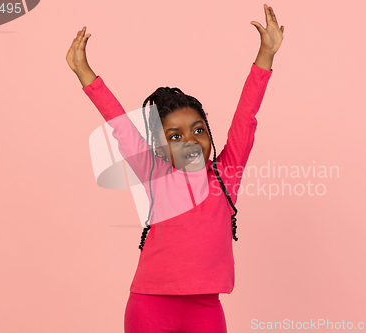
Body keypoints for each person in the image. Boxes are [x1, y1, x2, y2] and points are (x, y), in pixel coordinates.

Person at [66, 4, 284, 332]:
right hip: (149, 304)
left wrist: (265, 56)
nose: (191, 141)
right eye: (175, 135)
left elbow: (245, 118)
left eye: (198, 130)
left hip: (206, 305)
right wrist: (85, 74)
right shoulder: (153, 173)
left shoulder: (226, 176)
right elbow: (121, 127)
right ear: (159, 147)